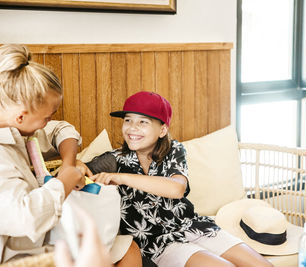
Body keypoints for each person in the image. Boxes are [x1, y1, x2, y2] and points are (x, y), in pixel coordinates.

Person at [88, 91, 274, 267]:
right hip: (158, 243)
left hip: (194, 226)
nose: (132, 128)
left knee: (262, 265)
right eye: (128, 120)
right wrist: (78, 166)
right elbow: (81, 170)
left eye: (143, 122)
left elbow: (176, 189)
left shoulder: (173, 150)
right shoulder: (114, 159)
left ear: (162, 130)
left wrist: (122, 178)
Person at [0, 44, 141, 267]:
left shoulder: (21, 132)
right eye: (46, 117)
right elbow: (25, 218)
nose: (47, 123)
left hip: (39, 241)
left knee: (129, 247)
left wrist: (68, 164)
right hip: (18, 258)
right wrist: (62, 184)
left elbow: (62, 130)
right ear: (21, 116)